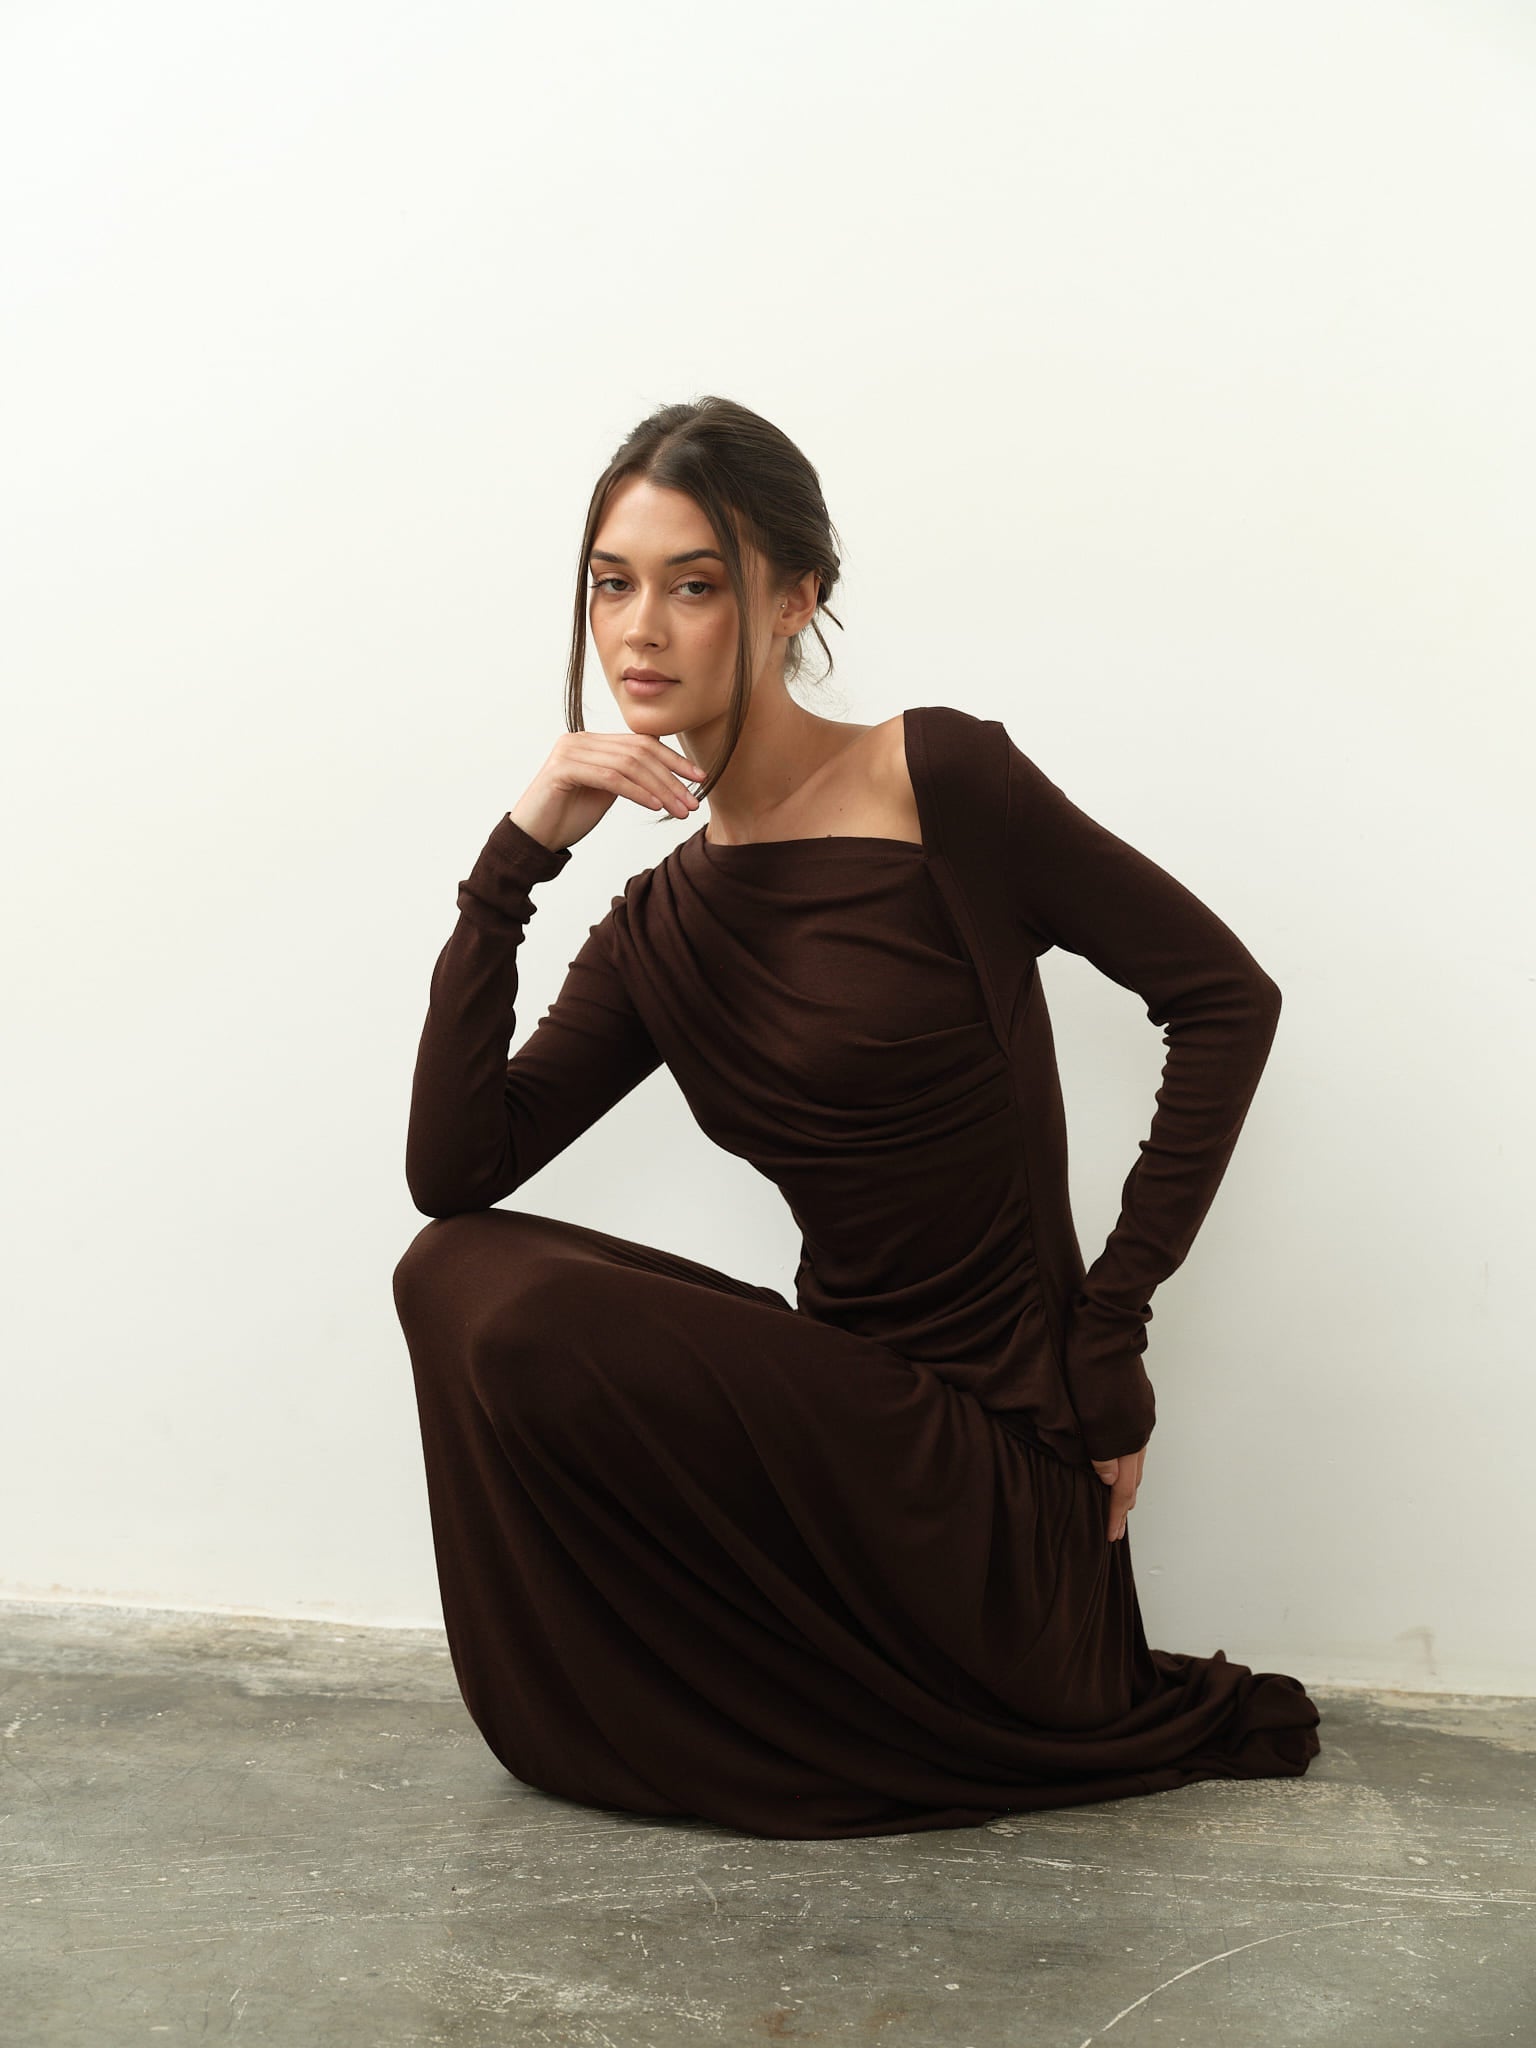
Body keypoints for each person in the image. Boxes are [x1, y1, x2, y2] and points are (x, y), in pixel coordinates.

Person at [391, 394, 1322, 1840]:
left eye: (695, 585)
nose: (640, 631)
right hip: (843, 1439)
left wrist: (1108, 1335)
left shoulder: (937, 782)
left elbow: (1223, 1001)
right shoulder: (661, 923)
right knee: (453, 1274)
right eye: (611, 584)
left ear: (793, 600)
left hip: (999, 1479)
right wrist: (510, 866)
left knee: (500, 1302)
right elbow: (455, 1172)